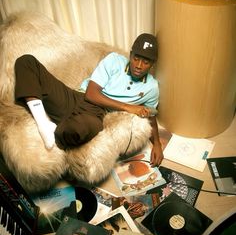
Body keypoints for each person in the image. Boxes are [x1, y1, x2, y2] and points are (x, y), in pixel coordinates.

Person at [14, 33, 163, 166]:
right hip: (77, 96)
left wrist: (157, 144)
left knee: (79, 129)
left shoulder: (152, 87)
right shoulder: (114, 60)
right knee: (26, 61)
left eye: (145, 62)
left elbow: (151, 116)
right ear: (130, 55)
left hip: (96, 113)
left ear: (152, 64)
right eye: (136, 58)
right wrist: (128, 107)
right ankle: (42, 122)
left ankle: (55, 130)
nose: (138, 65)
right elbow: (91, 94)